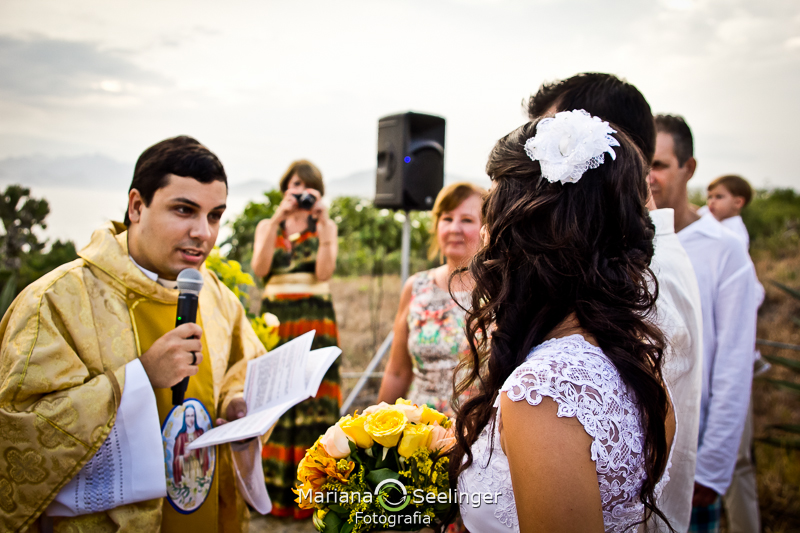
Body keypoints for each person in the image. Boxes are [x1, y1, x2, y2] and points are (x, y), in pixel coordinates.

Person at [0, 135, 268, 532]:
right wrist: (140, 377)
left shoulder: (214, 295)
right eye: (184, 210)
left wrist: (234, 403)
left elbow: (243, 364)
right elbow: (19, 434)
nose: (203, 233)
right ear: (137, 206)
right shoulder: (55, 301)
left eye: (214, 216)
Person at [453, 110, 676, 532]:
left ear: (524, 231)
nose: (484, 233)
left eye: (492, 206)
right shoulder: (631, 356)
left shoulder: (543, 392)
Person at [528, 72, 704, 531]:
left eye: (554, 142)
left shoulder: (646, 272)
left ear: (606, 147)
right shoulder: (623, 256)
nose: (538, 161)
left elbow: (624, 449)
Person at [650, 115, 759, 533]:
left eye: (660, 165)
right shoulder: (628, 242)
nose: (650, 177)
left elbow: (733, 364)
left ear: (688, 168)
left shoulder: (725, 251)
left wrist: (711, 467)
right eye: (643, 164)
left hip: (690, 459)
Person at [251, 159, 340, 519]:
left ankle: (314, 495)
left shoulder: (325, 226)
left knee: (312, 398)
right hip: (277, 320)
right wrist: (276, 219)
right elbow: (259, 270)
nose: (298, 192)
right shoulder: (268, 225)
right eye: (293, 185)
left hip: (315, 319)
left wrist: (323, 222)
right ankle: (273, 495)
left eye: (306, 187)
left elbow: (324, 271)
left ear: (316, 192)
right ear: (284, 189)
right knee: (276, 399)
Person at [377, 182, 485, 416]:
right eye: (447, 218)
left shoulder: (500, 290)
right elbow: (397, 372)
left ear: (486, 228)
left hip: (477, 430)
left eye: (467, 220)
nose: (455, 228)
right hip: (420, 432)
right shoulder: (416, 287)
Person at [699, 174, 764, 532]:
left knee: (736, 460)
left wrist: (732, 321)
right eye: (708, 196)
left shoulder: (730, 238)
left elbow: (753, 293)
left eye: (719, 196)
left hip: (731, 361)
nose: (711, 203)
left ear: (738, 202)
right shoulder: (718, 231)